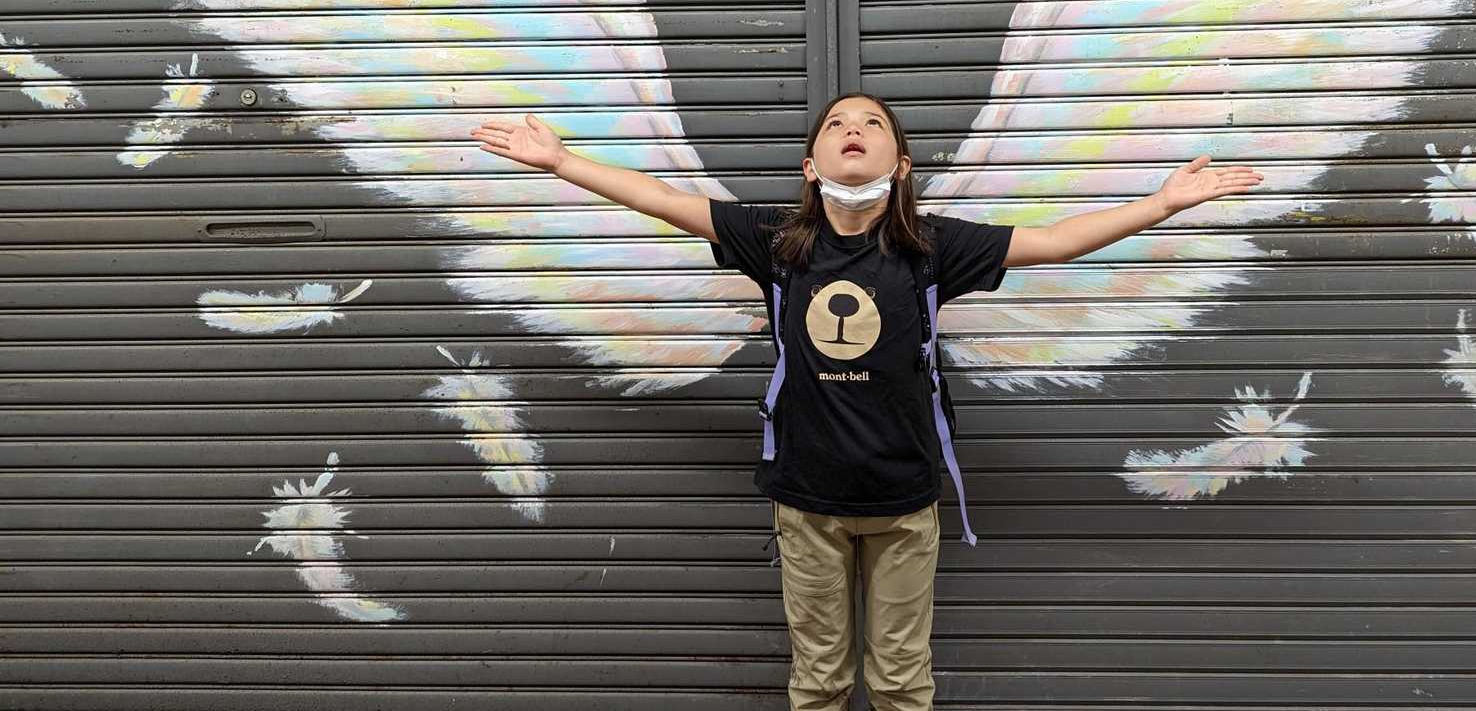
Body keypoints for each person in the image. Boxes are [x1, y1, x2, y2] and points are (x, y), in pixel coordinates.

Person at [471, 92, 1262, 710]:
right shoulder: (777, 240)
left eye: (873, 123)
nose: (854, 129)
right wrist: (562, 162)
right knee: (818, 680)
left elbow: (1055, 242)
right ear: (811, 165)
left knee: (901, 681)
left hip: (904, 503)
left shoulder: (934, 246)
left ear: (902, 162)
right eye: (837, 124)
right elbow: (661, 200)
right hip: (807, 501)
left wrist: (1160, 205)